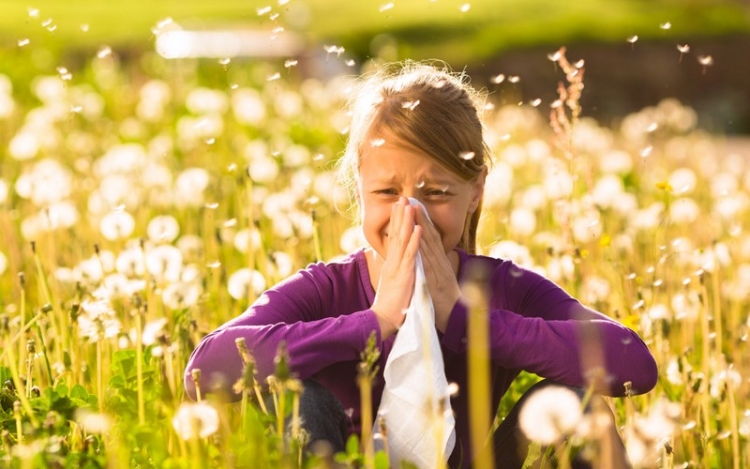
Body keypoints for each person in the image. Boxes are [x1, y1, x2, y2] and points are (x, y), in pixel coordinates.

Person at [184, 61, 658, 468]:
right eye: (388, 193)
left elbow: (633, 363)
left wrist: (465, 319)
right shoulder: (325, 288)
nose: (411, 215)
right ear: (359, 190)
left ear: (476, 193)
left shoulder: (502, 286)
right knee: (298, 398)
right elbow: (205, 372)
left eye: (436, 193)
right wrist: (375, 323)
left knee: (583, 407)